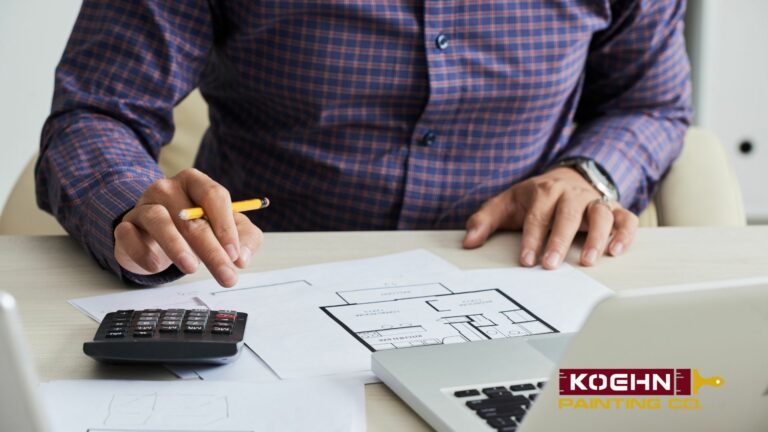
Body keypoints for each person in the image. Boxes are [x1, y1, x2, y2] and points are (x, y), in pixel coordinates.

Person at [36, 0, 691, 288]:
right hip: (254, 279)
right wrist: (132, 204)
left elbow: (650, 104)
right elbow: (98, 108)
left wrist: (586, 175)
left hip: (520, 276)